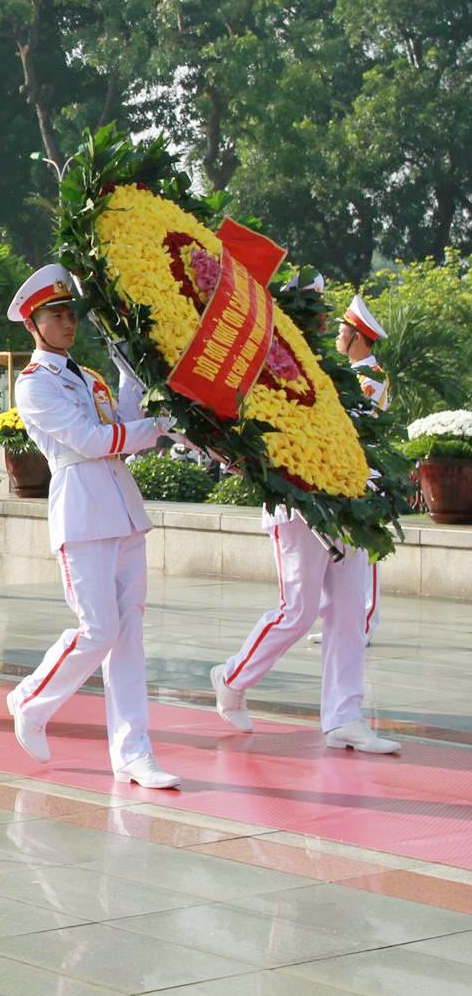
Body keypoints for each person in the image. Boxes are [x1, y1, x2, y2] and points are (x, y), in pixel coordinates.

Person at [3, 265, 180, 790]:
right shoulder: (33, 385)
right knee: (97, 629)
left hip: (121, 506)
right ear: (32, 325)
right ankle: (32, 699)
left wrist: (132, 369)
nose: (66, 322)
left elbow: (120, 417)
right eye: (55, 315)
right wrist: (158, 427)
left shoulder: (90, 376)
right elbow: (90, 439)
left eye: (69, 313)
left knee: (127, 636)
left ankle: (133, 753)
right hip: (80, 506)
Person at [212, 291, 400, 755]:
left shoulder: (348, 375)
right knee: (298, 610)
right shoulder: (273, 366)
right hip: (298, 502)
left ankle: (344, 718)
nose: (324, 329)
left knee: (349, 612)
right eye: (313, 319)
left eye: (325, 321)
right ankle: (233, 676)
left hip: (347, 499)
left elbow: (357, 428)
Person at [310, 293, 392, 647]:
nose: (337, 337)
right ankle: (343, 621)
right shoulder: (354, 374)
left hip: (367, 472)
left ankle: (366, 621)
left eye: (342, 332)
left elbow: (354, 421)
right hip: (349, 470)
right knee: (348, 549)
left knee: (367, 551)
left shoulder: (371, 377)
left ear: (357, 337)